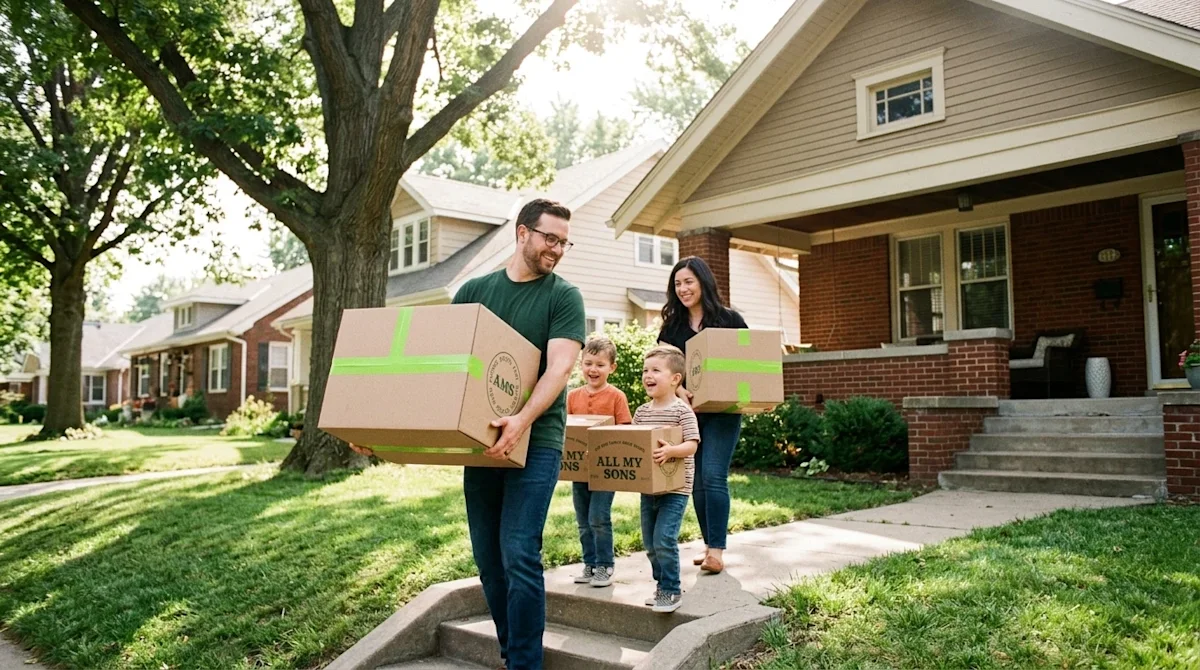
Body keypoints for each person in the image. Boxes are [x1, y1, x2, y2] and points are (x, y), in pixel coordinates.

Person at [351, 198, 585, 670]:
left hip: (535, 442)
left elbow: (560, 367)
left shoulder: (563, 296)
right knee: (488, 559)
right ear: (522, 234)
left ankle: (525, 663)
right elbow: (442, 376)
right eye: (550, 238)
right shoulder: (475, 292)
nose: (557, 249)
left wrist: (521, 420)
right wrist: (381, 433)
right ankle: (508, 649)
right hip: (479, 443)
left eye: (564, 241)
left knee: (519, 551)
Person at [656, 256, 747, 575]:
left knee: (712, 474)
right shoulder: (672, 327)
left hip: (722, 414)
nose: (683, 289)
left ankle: (717, 550)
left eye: (689, 282)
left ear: (703, 283)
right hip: (687, 415)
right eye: (677, 284)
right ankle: (710, 546)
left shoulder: (729, 320)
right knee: (696, 482)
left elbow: (746, 362)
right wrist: (679, 391)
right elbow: (662, 369)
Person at [632, 344, 700, 613]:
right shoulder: (641, 412)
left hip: (676, 487)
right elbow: (633, 443)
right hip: (649, 488)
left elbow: (693, 444)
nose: (648, 375)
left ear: (675, 379)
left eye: (656, 370)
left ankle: (672, 590)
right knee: (649, 544)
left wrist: (672, 451)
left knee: (664, 539)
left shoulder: (682, 411)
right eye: (645, 370)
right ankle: (661, 587)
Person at [566, 336, 632, 588]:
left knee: (598, 516)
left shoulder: (616, 396)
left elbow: (625, 429)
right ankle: (590, 563)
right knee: (583, 518)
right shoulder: (572, 396)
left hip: (606, 469)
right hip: (580, 470)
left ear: (612, 368)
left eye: (600, 365)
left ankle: (605, 565)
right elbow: (569, 430)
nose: (593, 370)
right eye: (588, 363)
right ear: (581, 365)